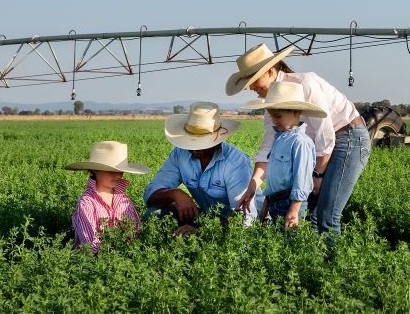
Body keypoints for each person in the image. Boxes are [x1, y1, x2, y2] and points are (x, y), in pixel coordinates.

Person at [228, 43, 370, 234]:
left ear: (270, 71)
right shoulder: (273, 104)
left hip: (348, 137)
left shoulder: (304, 84)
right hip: (317, 147)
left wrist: (317, 178)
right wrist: (253, 186)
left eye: (254, 80)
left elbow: (325, 136)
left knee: (325, 213)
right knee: (310, 212)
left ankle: (331, 262)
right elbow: (268, 149)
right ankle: (313, 258)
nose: (251, 87)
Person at [144, 101, 259, 235]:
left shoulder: (235, 161)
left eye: (203, 142)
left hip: (237, 222)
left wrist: (201, 230)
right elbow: (150, 195)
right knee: (153, 215)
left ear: (217, 140)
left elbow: (245, 217)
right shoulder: (179, 154)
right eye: (192, 140)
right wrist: (176, 194)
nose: (196, 147)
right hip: (206, 216)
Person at [242, 81, 323, 228]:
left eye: (278, 116)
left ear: (296, 112)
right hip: (275, 202)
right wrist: (265, 207)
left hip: (290, 203)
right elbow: (273, 178)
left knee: (291, 246)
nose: (274, 121)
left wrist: (294, 210)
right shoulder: (278, 139)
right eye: (272, 116)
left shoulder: (300, 142)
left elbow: (302, 179)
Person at [65, 140, 150, 253]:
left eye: (121, 171)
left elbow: (137, 229)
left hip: (125, 256)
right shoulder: (87, 203)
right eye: (111, 171)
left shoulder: (123, 198)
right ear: (95, 169)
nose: (118, 175)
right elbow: (89, 245)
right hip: (94, 262)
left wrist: (131, 237)